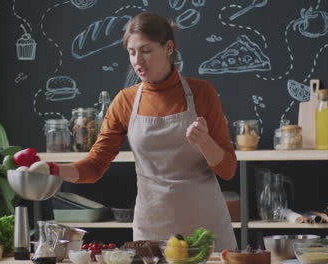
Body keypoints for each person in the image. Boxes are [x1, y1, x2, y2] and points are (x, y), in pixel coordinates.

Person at [55, 12, 238, 250]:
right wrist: (53, 171)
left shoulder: (203, 93)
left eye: (146, 50)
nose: (138, 61)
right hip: (152, 228)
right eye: (132, 52)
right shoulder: (125, 101)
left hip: (205, 229)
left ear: (168, 47)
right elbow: (95, 165)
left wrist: (204, 141)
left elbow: (228, 169)